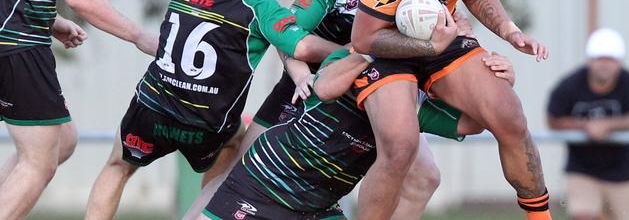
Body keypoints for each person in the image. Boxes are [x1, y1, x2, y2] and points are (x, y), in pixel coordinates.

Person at [185, 0, 466, 220]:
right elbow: (288, 32)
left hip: (376, 92)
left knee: (424, 177)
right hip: (313, 90)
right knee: (242, 168)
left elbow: (444, 35)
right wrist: (302, 74)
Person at [83, 0, 341, 220]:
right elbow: (299, 46)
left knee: (118, 166)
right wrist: (355, 50)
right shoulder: (259, 5)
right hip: (206, 124)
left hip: (153, 105)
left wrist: (298, 73)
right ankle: (204, 213)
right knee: (236, 150)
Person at [351, 0, 551, 219]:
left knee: (508, 114)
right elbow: (363, 38)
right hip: (390, 47)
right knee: (401, 148)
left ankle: (540, 217)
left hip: (441, 37)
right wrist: (427, 44)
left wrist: (509, 30)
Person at [0, 0, 158, 219]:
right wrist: (137, 36)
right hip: (18, 48)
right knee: (38, 163)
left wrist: (52, 22)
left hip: (14, 41)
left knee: (63, 140)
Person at [198, 48, 514, 220]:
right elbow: (323, 86)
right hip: (263, 186)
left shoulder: (410, 104)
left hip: (319, 206)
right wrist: (375, 48)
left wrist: (497, 80)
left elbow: (475, 122)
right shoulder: (351, 59)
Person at [547, 28, 629, 220]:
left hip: (624, 172)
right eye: (599, 59)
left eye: (610, 60)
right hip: (583, 169)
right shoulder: (571, 85)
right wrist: (585, 126)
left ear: (619, 62)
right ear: (590, 61)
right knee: (583, 215)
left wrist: (609, 125)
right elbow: (554, 119)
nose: (605, 65)